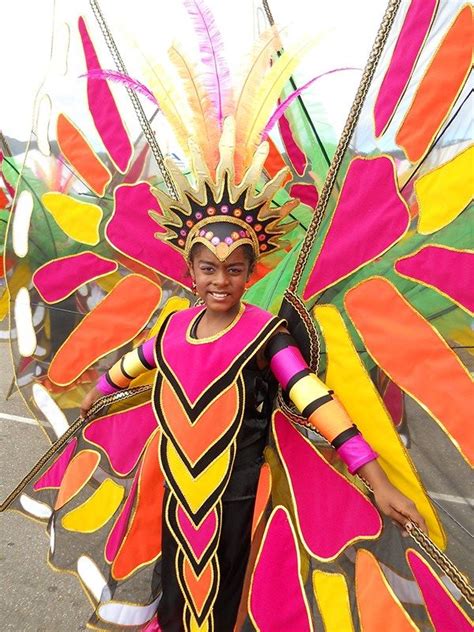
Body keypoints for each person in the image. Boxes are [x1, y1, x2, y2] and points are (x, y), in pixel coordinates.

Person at [80, 201, 427, 631]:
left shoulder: (265, 335)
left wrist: (378, 482)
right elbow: (135, 362)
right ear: (191, 270)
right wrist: (97, 392)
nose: (220, 281)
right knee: (175, 581)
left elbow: (314, 399)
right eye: (209, 269)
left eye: (234, 270)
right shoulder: (172, 329)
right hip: (176, 487)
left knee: (224, 590)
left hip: (236, 493)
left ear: (250, 272)